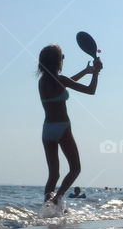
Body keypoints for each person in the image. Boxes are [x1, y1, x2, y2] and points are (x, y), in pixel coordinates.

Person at [38, 43, 102, 207]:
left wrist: (86, 72)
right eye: (62, 57)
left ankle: (46, 208)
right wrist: (96, 72)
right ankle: (57, 199)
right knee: (75, 168)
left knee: (53, 175)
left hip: (47, 130)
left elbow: (66, 83)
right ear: (57, 62)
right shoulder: (61, 80)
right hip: (62, 127)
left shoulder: (42, 82)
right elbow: (91, 90)